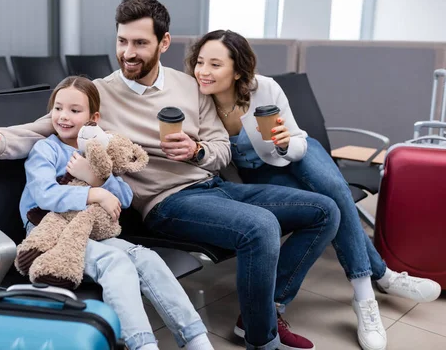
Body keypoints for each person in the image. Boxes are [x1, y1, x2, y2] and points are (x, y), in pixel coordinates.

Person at [0, 0, 341, 350]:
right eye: (122, 40)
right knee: (261, 228)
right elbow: (42, 128)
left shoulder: (189, 86)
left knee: (326, 211)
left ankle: (266, 309)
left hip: (211, 184)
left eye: (140, 43)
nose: (128, 52)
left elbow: (220, 149)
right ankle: (262, 339)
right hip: (165, 202)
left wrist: (197, 151)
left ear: (164, 43)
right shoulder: (98, 94)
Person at [185, 29, 443, 350]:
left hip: (298, 151)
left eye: (215, 64)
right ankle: (384, 276)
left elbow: (295, 140)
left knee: (335, 190)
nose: (203, 72)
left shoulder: (265, 89)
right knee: (325, 207)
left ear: (238, 70)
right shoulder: (196, 100)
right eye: (199, 62)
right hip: (258, 174)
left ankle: (364, 298)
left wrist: (281, 144)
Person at [18, 75, 214, 350]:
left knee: (145, 257)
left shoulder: (98, 151)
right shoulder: (46, 149)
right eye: (58, 108)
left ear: (93, 118)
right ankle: (141, 345)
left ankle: (196, 340)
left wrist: (99, 180)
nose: (64, 116)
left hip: (92, 231)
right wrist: (93, 193)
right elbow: (44, 195)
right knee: (116, 262)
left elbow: (123, 197)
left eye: (75, 111)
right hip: (52, 234)